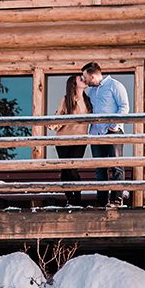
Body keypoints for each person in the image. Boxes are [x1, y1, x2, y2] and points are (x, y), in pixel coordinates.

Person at [80, 62, 130, 207]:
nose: (84, 80)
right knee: (99, 167)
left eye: (85, 77)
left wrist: (114, 125)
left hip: (113, 131)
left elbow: (124, 106)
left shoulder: (115, 85)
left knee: (116, 165)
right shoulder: (91, 92)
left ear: (92, 75)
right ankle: (101, 201)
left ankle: (116, 199)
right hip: (96, 133)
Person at [47, 74, 92, 206]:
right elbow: (59, 116)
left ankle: (76, 198)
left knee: (73, 168)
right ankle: (70, 199)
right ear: (73, 83)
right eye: (80, 78)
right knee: (66, 169)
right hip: (64, 140)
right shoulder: (66, 100)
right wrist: (52, 125)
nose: (84, 80)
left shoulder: (88, 100)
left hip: (80, 140)